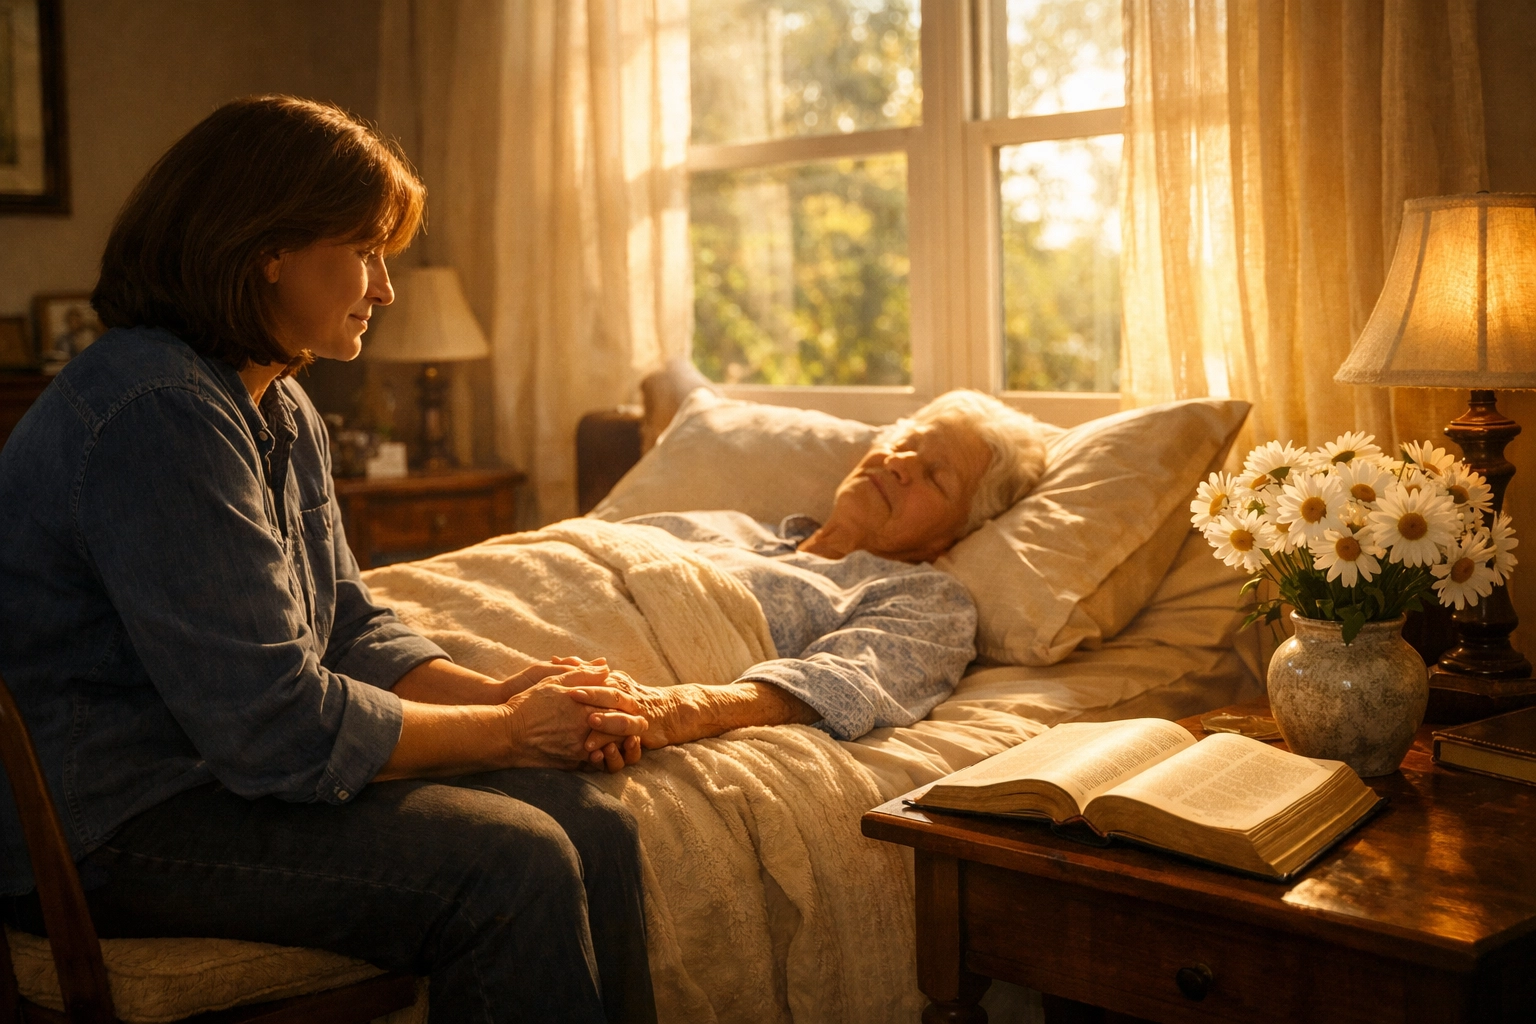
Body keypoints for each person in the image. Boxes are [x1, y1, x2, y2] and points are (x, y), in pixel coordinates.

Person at [0, 96, 657, 1024]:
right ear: (269, 249)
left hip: (210, 781)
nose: (384, 288)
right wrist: (514, 732)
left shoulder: (278, 398)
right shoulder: (154, 409)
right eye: (365, 251)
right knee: (514, 865)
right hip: (106, 825)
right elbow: (280, 727)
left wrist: (507, 694)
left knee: (596, 822)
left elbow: (348, 626)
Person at [569, 390, 1047, 750]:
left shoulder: (927, 600)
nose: (899, 463)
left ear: (958, 530)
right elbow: (577, 549)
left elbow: (839, 684)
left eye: (935, 476)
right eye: (905, 445)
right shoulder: (729, 526)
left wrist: (678, 711)